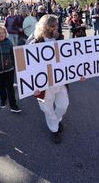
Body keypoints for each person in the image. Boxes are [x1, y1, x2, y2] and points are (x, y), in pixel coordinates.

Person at [32, 15, 71, 144]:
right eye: (53, 26)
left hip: (60, 81)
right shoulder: (35, 43)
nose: (56, 28)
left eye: (57, 25)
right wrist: (33, 86)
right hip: (44, 83)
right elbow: (28, 67)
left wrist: (78, 73)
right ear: (45, 27)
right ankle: (54, 129)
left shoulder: (61, 39)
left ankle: (56, 120)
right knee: (47, 108)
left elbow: (70, 59)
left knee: (63, 105)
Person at [0, 25, 21, 113]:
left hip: (9, 69)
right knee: (1, 86)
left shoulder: (8, 42)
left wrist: (16, 66)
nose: (1, 34)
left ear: (5, 33)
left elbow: (13, 55)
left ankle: (13, 105)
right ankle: (3, 100)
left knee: (10, 87)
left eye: (3, 32)